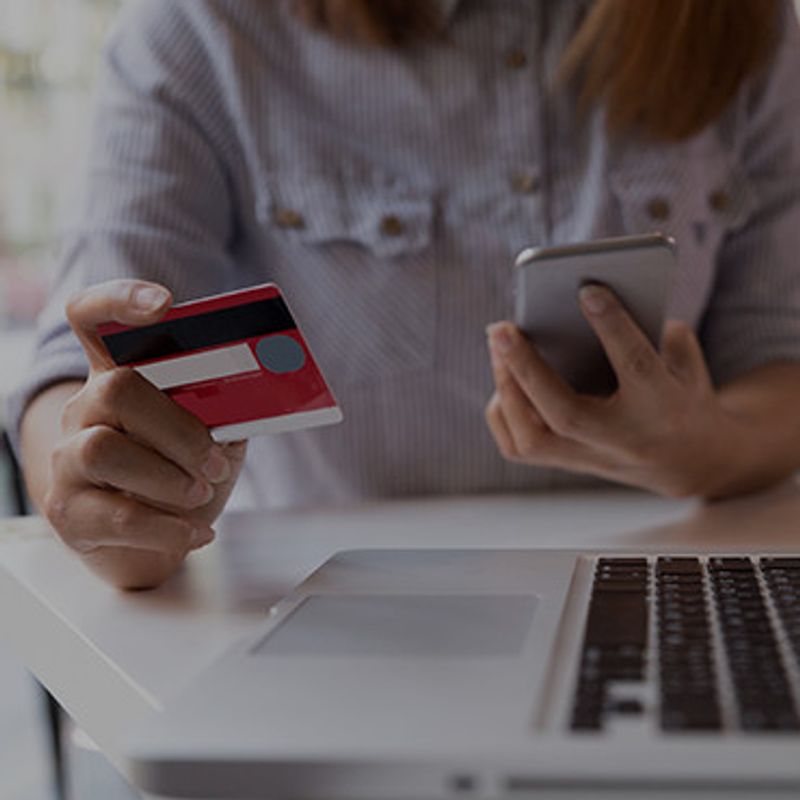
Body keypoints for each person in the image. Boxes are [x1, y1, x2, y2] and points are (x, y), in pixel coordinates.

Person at [7, 0, 800, 589]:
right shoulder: (198, 31)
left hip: (661, 580)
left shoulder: (746, 28)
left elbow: (782, 351)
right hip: (327, 599)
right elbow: (70, 381)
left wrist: (710, 450)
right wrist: (102, 484)